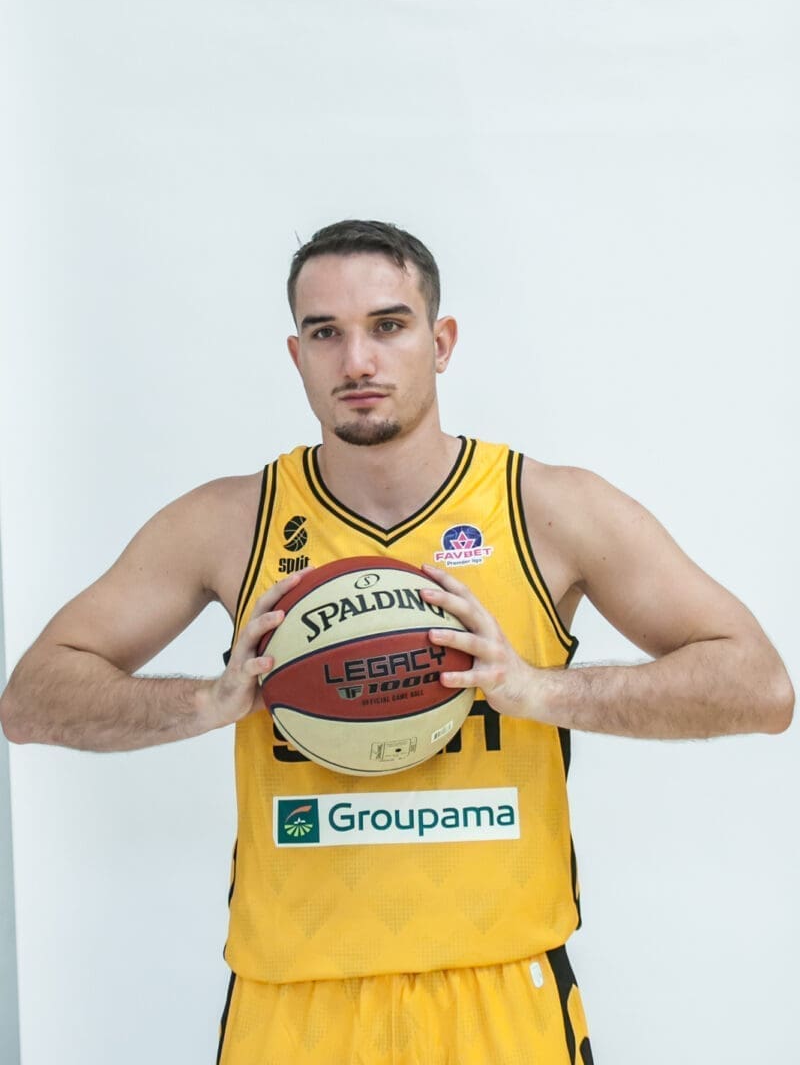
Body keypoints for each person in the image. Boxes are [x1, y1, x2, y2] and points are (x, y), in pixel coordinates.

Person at [0, 219, 793, 1065]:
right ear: (296, 355)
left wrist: (538, 689)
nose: (358, 361)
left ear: (440, 342)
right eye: (325, 333)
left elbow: (760, 685)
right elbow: (32, 699)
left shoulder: (546, 510)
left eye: (388, 325)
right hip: (292, 1003)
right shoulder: (230, 523)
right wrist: (207, 701)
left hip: (501, 995)